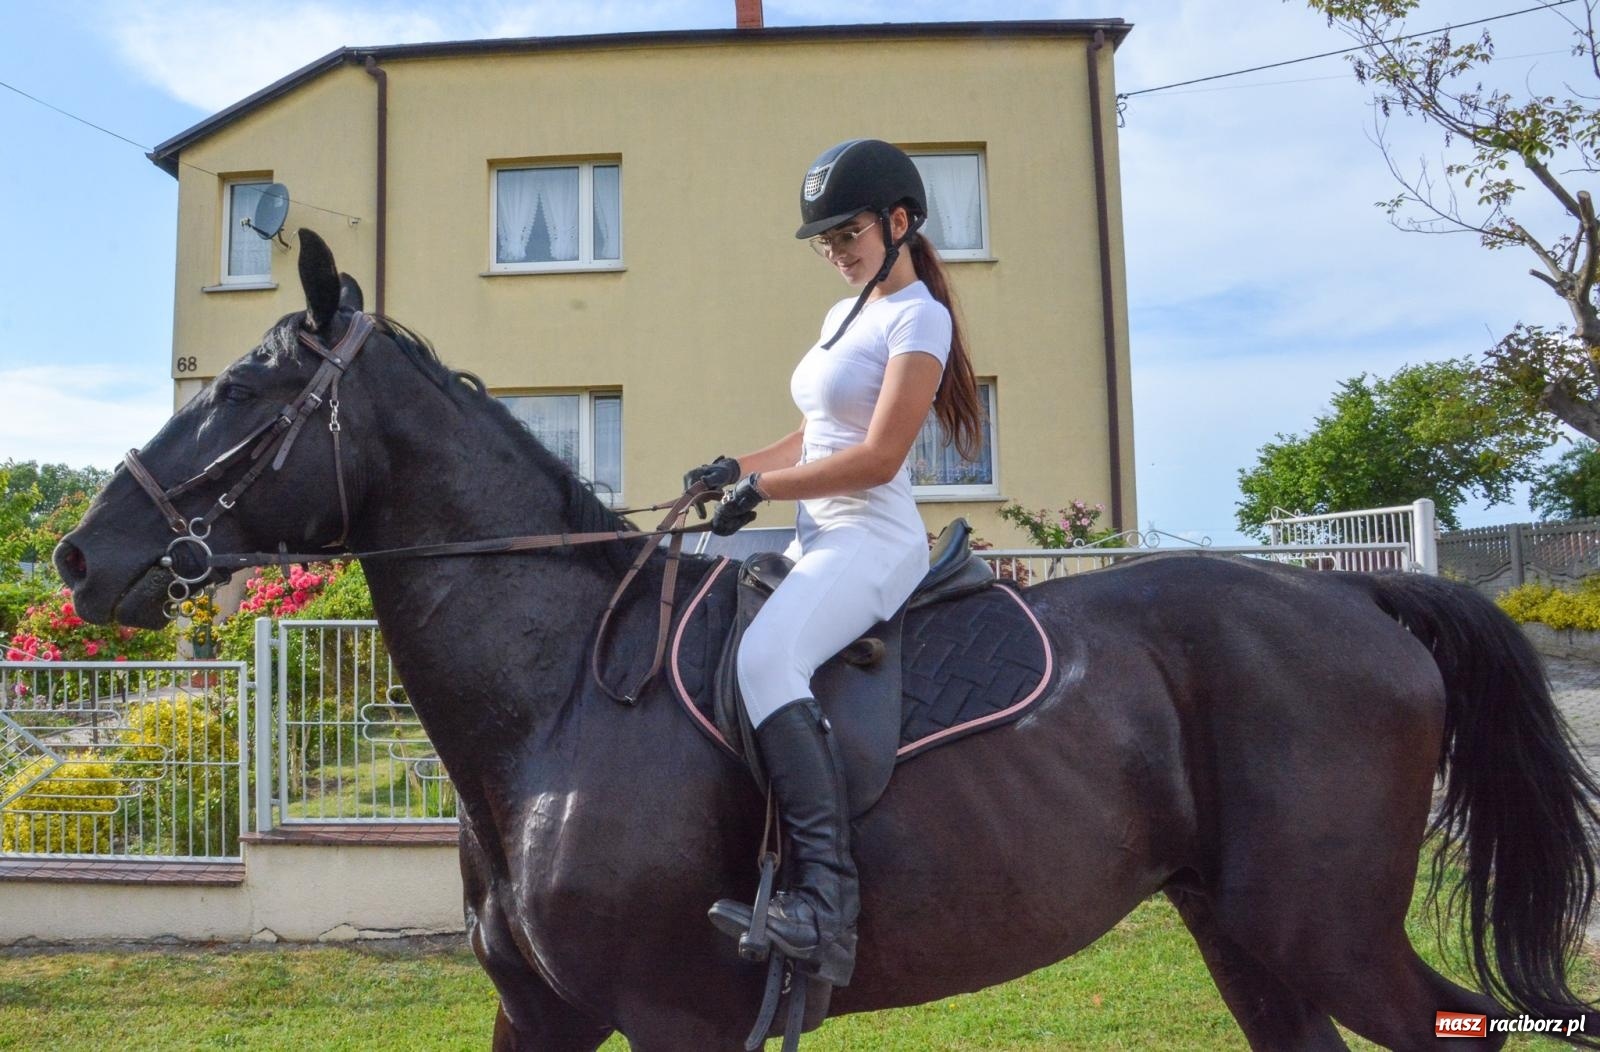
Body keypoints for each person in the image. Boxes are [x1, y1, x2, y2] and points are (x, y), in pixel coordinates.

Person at [685, 139, 984, 987]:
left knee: (767, 656)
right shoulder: (842, 314)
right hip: (816, 535)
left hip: (874, 541)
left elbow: (880, 456)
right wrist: (735, 469)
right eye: (824, 241)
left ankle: (823, 905)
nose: (836, 251)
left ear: (898, 222)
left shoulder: (920, 316)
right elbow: (819, 434)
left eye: (846, 233)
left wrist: (769, 486)